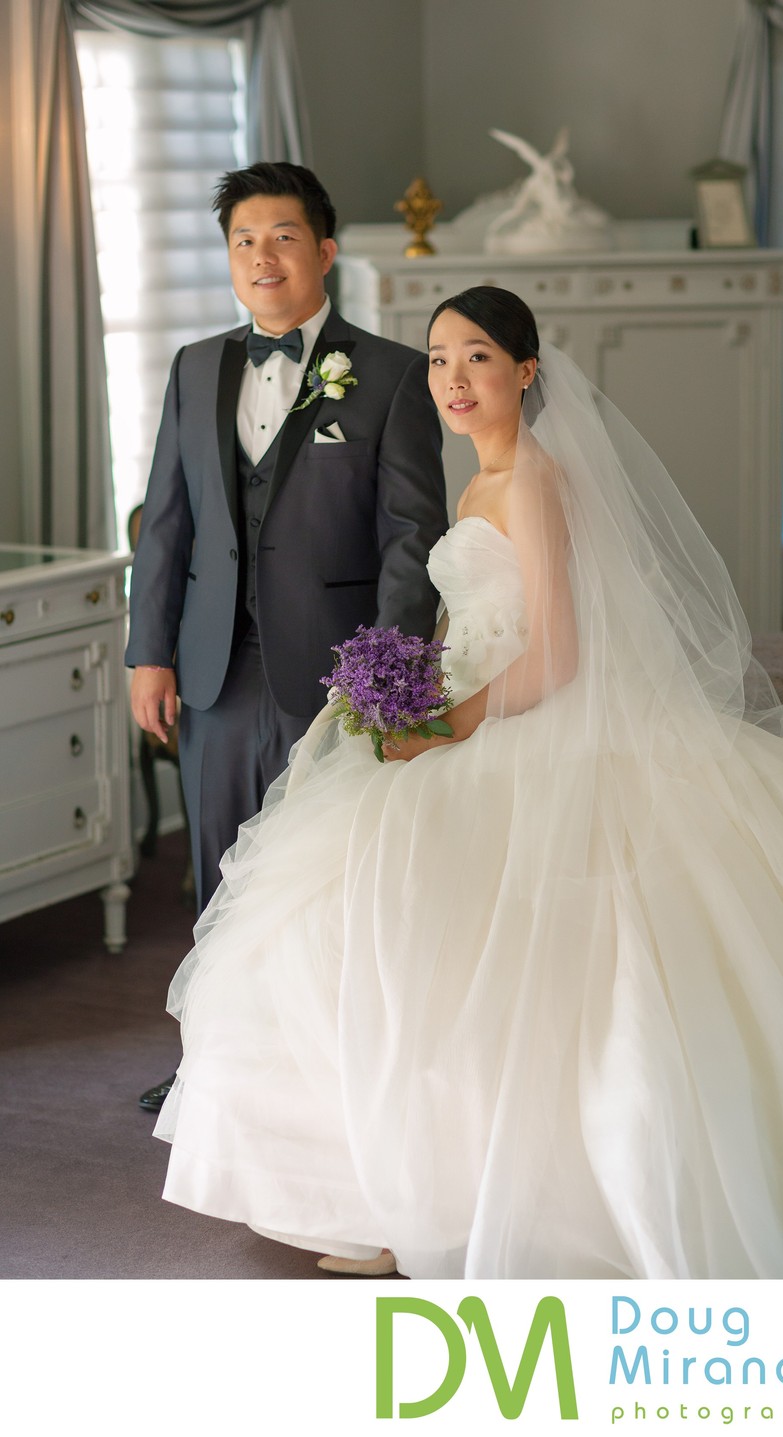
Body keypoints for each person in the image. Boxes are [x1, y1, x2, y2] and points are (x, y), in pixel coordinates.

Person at [153, 287, 783, 1279]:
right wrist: (402, 698)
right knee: (344, 917)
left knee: (430, 925)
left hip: (531, 728)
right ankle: (390, 1188)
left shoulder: (533, 481)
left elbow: (555, 655)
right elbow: (470, 627)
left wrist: (443, 725)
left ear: (526, 371)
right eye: (437, 358)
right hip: (469, 712)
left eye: (475, 358)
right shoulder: (476, 484)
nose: (450, 379)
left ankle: (445, 1199)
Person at [126, 162, 446, 1112]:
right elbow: (167, 524)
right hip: (216, 664)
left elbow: (412, 533)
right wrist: (150, 651)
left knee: (326, 875)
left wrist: (387, 672)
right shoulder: (194, 367)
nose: (263, 257)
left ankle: (324, 1068)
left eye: (284, 237)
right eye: (244, 240)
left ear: (325, 252)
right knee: (220, 866)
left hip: (337, 668)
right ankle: (214, 1066)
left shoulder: (389, 372)